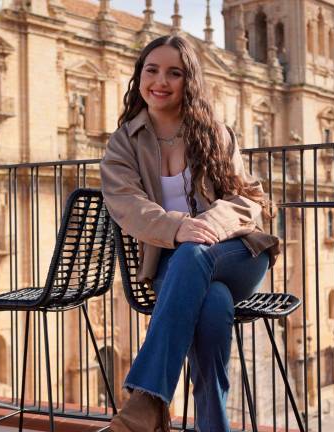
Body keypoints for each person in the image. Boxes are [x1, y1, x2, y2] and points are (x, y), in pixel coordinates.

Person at [100, 35, 279, 432]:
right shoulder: (123, 144)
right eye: (152, 70)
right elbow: (126, 203)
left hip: (237, 254)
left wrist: (210, 226)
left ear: (188, 82)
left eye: (174, 73)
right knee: (213, 307)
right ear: (139, 76)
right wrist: (178, 227)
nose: (160, 81)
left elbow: (250, 199)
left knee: (195, 255)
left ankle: (146, 402)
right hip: (173, 265)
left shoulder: (215, 134)